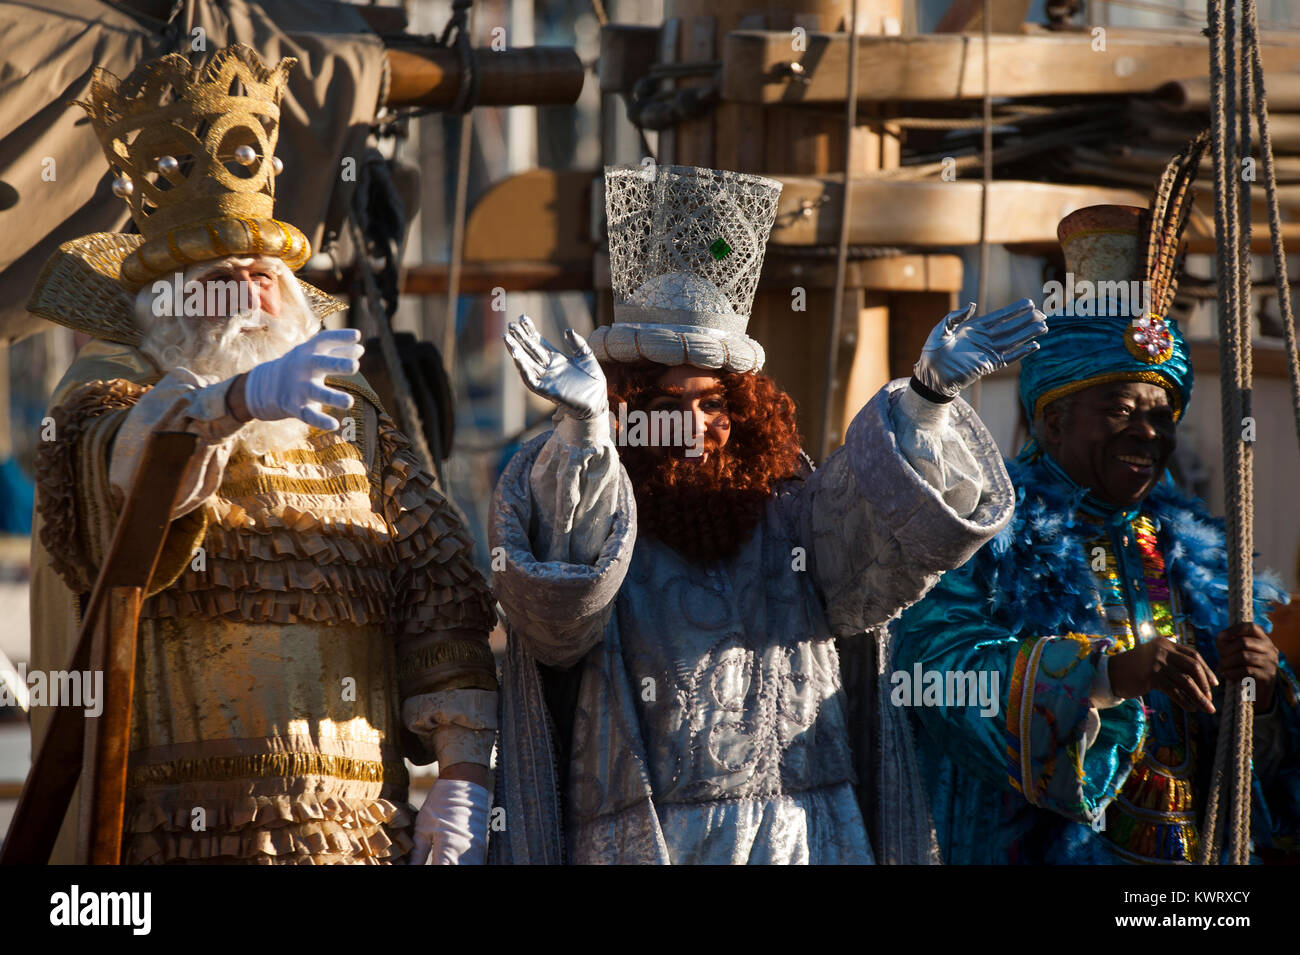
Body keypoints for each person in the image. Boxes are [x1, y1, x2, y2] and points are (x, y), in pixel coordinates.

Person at [487, 162, 1046, 864]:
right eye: (666, 405)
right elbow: (555, 615)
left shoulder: (791, 516)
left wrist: (927, 401)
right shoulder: (607, 520)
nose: (693, 426)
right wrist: (583, 435)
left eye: (713, 403)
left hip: (806, 841)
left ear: (743, 412)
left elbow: (878, 547)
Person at [26, 44, 497, 864]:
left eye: (262, 267)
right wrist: (227, 406)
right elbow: (117, 497)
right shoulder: (112, 395)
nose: (247, 284)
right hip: (175, 839)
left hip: (357, 839)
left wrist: (462, 779)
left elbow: (440, 589)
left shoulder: (354, 419)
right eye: (218, 272)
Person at [894, 202, 1300, 864]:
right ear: (1052, 422)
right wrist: (1104, 676)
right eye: (1118, 410)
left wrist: (1267, 688)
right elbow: (932, 669)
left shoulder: (1195, 546)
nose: (1148, 432)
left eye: (1162, 414)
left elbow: (1259, 774)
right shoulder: (984, 528)